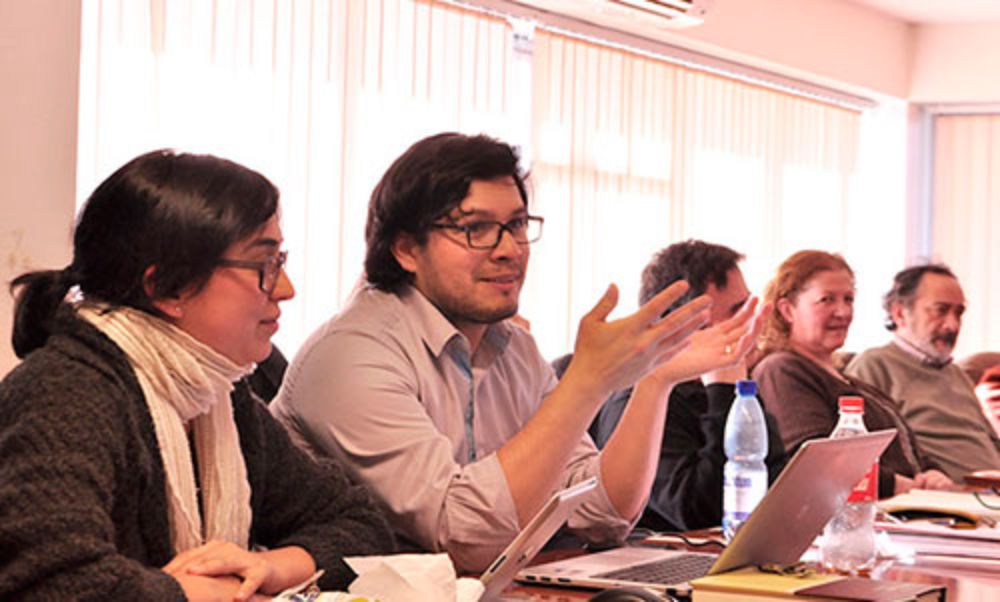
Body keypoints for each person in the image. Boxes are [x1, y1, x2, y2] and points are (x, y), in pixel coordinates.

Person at [270, 133, 762, 572]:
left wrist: (655, 381)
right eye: (476, 229)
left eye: (517, 225)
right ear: (406, 250)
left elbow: (601, 513)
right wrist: (585, 383)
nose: (509, 249)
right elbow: (464, 539)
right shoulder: (350, 357)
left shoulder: (514, 347)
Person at [0, 150, 393, 601]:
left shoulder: (218, 394)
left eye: (280, 262)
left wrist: (265, 568)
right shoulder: (65, 395)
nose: (286, 289)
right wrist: (202, 594)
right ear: (168, 287)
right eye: (264, 266)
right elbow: (50, 580)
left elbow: (362, 524)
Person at [585, 240, 785, 532]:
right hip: (661, 554)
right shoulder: (639, 398)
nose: (754, 323)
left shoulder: (726, 385)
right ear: (686, 325)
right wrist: (723, 390)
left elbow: (776, 478)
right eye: (738, 311)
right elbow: (698, 513)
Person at [750, 250, 954, 497]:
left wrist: (934, 474)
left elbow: (908, 449)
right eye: (827, 300)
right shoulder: (781, 370)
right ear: (788, 310)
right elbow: (815, 461)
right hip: (864, 510)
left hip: (908, 505)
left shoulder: (848, 379)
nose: (843, 312)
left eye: (848, 299)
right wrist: (899, 486)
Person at [845, 265, 1000, 481]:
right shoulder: (875, 365)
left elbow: (992, 443)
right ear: (899, 313)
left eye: (958, 313)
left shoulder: (957, 374)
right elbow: (859, 452)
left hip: (990, 491)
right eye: (940, 310)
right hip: (944, 493)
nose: (953, 325)